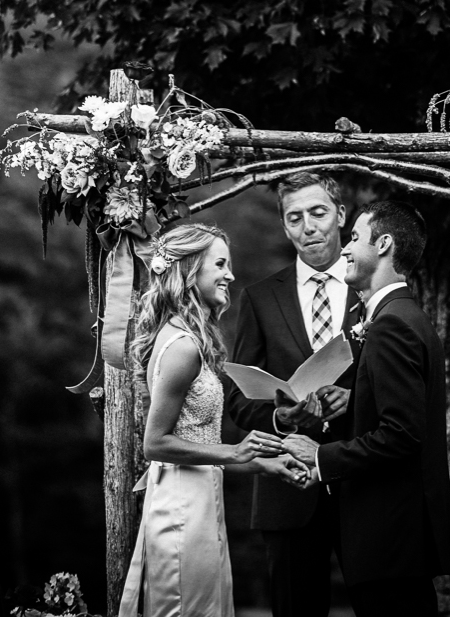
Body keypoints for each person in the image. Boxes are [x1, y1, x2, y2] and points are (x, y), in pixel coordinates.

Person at [121, 223, 310, 617]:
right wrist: (236, 450)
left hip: (203, 499)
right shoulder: (183, 347)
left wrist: (264, 463)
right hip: (180, 509)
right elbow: (155, 444)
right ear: (191, 270)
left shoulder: (191, 338)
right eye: (220, 264)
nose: (231, 275)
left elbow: (199, 440)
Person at [283, 200, 450, 617]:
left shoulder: (392, 325)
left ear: (383, 244)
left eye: (355, 237)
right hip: (397, 539)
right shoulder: (402, 316)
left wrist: (321, 456)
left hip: (389, 537)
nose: (344, 248)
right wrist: (352, 405)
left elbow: (402, 434)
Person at [224, 172, 364, 617]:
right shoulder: (261, 298)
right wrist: (283, 420)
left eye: (318, 213)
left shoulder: (375, 292)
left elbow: (402, 386)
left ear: (340, 215)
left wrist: (354, 401)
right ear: (285, 227)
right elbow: (239, 401)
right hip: (288, 487)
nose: (309, 226)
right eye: (295, 217)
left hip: (365, 480)